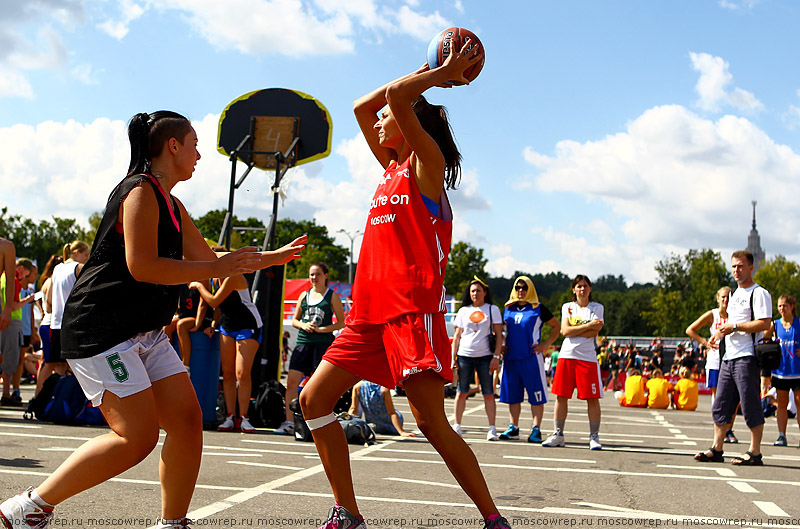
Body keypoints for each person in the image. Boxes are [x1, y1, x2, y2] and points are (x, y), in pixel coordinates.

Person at [0, 110, 306, 529]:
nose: (199, 154)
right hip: (101, 331)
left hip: (143, 331)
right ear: (172, 146)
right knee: (137, 437)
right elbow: (143, 265)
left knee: (186, 421)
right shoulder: (140, 192)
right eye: (194, 144)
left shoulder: (173, 205)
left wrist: (272, 257)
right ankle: (30, 505)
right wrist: (223, 265)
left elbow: (210, 260)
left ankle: (172, 522)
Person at [297, 47, 513, 529]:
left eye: (387, 120)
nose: (376, 124)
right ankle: (347, 511)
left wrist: (438, 77)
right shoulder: (391, 168)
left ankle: (493, 518)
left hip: (411, 313)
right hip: (368, 315)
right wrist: (423, 73)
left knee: (431, 423)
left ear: (406, 122)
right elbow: (361, 107)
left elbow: (393, 97)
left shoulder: (426, 165)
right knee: (312, 401)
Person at [694, 251, 771, 466]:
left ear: (750, 268)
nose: (736, 270)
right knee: (721, 404)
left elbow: (765, 323)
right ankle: (717, 448)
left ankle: (755, 452)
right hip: (728, 357)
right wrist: (719, 334)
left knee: (749, 405)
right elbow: (731, 326)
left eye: (740, 266)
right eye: (733, 267)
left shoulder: (759, 293)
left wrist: (735, 326)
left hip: (747, 357)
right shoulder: (735, 294)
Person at [190, 269, 264, 434]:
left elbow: (214, 301)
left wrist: (199, 286)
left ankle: (244, 417)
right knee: (228, 373)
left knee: (242, 373)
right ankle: (230, 416)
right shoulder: (214, 278)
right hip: (228, 326)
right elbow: (220, 307)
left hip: (248, 324)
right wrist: (213, 325)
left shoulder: (233, 277)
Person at [275, 263, 345, 436]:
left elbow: (342, 322)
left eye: (318, 274)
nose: (314, 278)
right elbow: (295, 320)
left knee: (318, 386)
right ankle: (289, 422)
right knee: (292, 382)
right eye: (312, 274)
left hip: (322, 344)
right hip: (303, 342)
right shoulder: (304, 295)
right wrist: (304, 325)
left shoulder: (332, 296)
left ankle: (318, 423)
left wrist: (323, 329)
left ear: (326, 275)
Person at [542, 275, 605, 450]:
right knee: (561, 396)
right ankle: (558, 434)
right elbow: (564, 331)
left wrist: (577, 330)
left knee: (592, 398)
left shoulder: (597, 308)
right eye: (579, 286)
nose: (582, 289)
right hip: (567, 355)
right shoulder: (568, 307)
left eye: (585, 286)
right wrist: (587, 326)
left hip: (587, 358)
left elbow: (595, 333)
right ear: (574, 290)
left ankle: (594, 436)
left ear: (590, 289)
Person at [498, 276, 559, 443]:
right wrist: (501, 345)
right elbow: (501, 332)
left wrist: (545, 344)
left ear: (530, 289)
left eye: (524, 288)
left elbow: (556, 326)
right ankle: (514, 428)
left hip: (531, 359)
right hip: (511, 359)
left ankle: (536, 429)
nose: (520, 291)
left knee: (536, 395)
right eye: (518, 287)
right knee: (513, 396)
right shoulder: (508, 308)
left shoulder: (538, 308)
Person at [450, 276, 503, 441]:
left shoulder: (492, 309)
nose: (475, 293)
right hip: (465, 355)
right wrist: (453, 358)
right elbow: (457, 336)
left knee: (488, 393)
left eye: (478, 290)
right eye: (472, 291)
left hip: (485, 356)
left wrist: (496, 356)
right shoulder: (463, 310)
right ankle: (457, 425)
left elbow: (499, 335)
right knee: (461, 392)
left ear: (485, 292)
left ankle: (492, 428)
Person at [686, 287, 736, 437]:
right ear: (718, 298)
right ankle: (719, 428)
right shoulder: (712, 315)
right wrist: (705, 342)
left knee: (733, 395)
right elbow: (690, 330)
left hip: (732, 357)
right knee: (718, 394)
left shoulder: (735, 315)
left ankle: (728, 429)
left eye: (728, 297)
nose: (725, 300)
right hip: (715, 359)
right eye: (723, 297)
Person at [48, 240, 90, 380]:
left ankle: (59, 397)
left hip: (56, 322)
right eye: (85, 255)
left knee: (58, 365)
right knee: (78, 363)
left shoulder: (57, 268)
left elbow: (50, 297)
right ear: (77, 253)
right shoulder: (79, 267)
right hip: (73, 321)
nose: (87, 258)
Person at [766, 294, 800, 447]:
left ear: (792, 306)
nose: (781, 309)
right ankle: (781, 435)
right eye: (779, 306)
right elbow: (764, 340)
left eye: (784, 306)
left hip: (797, 371)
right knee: (782, 404)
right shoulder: (775, 324)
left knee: (799, 403)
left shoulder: (799, 323)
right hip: (781, 371)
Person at [0, 259, 34, 405]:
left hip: (6, 322)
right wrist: (28, 300)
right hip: (12, 323)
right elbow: (13, 305)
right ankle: (7, 394)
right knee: (11, 360)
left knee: (8, 358)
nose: (25, 276)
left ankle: (7, 393)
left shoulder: (3, 278)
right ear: (20, 268)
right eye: (27, 273)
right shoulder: (12, 280)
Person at [33, 255, 65, 397]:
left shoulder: (46, 280)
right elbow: (49, 303)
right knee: (51, 363)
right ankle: (42, 396)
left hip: (47, 323)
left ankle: (42, 396)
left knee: (49, 362)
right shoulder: (53, 280)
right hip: (52, 324)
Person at [164, 282, 211, 368]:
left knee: (181, 325)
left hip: (201, 318)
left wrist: (197, 324)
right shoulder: (181, 280)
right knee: (167, 326)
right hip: (185, 315)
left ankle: (185, 366)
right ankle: (167, 362)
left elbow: (203, 304)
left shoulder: (202, 279)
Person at [349, 380, 416, 437]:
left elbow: (354, 409)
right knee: (395, 413)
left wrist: (348, 422)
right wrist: (401, 432)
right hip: (390, 425)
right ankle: (398, 428)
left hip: (373, 424)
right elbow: (391, 413)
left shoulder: (358, 387)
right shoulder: (384, 389)